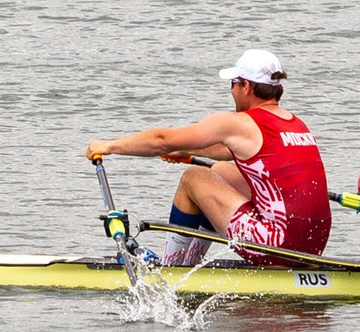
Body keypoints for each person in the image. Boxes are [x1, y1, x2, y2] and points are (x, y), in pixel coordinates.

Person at [85, 49, 332, 267]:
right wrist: (187, 151)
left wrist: (109, 146)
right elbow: (226, 149)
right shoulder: (295, 124)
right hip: (313, 246)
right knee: (222, 171)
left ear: (246, 86)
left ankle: (171, 269)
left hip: (276, 245)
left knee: (193, 178)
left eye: (234, 83)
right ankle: (190, 261)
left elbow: (161, 140)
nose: (231, 90)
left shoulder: (239, 123)